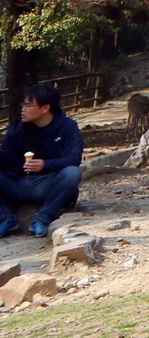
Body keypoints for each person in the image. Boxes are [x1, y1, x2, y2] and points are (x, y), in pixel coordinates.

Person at [0, 82, 84, 237]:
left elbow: (74, 158)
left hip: (47, 184)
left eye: (28, 106)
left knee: (72, 173)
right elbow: (4, 158)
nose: (23, 110)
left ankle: (43, 219)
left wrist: (45, 165)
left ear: (45, 108)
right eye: (23, 105)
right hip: (17, 183)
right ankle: (5, 218)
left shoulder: (67, 127)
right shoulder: (16, 129)